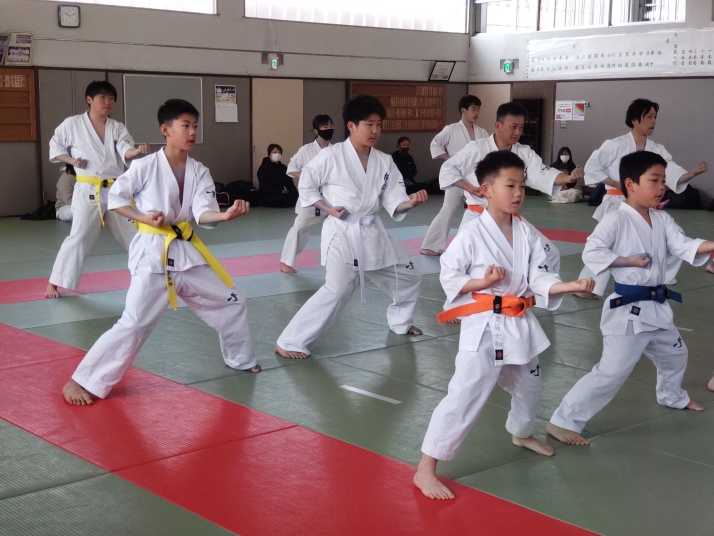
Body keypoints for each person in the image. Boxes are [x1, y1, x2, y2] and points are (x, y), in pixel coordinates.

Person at [413, 151, 595, 500]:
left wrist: (566, 286)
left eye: (522, 186)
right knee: (465, 393)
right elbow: (449, 275)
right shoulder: (472, 233)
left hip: (519, 321)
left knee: (530, 384)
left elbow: (540, 275)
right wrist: (481, 283)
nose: (518, 193)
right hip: (484, 325)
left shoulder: (527, 232)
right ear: (486, 190)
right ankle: (425, 468)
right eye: (510, 186)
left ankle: (521, 432)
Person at [62, 99, 260, 406]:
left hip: (186, 254)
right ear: (166, 130)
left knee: (232, 301)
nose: (192, 132)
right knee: (135, 321)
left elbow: (203, 212)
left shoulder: (200, 171)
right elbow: (116, 199)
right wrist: (142, 217)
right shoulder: (145, 166)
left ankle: (240, 358)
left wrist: (224, 215)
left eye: (195, 126)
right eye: (186, 125)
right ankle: (81, 380)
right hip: (153, 255)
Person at [546, 151, 713, 446]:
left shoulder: (662, 219)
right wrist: (627, 261)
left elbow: (683, 245)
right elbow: (592, 251)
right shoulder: (615, 220)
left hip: (657, 308)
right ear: (631, 184)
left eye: (663, 180)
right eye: (654, 180)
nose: (661, 187)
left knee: (676, 355)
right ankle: (562, 421)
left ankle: (671, 395)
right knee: (612, 372)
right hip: (629, 311)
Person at [275, 95, 428, 360]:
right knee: (338, 289)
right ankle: (290, 340)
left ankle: (401, 322)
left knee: (409, 276)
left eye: (379, 124)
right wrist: (327, 208)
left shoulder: (384, 161)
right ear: (352, 126)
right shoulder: (331, 156)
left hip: (372, 230)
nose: (375, 130)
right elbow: (307, 184)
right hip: (342, 232)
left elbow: (394, 199)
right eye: (369, 124)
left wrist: (410, 203)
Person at [574, 98, 708, 299]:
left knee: (666, 239)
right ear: (635, 120)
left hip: (644, 205)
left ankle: (659, 275)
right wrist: (616, 183)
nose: (653, 121)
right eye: (649, 116)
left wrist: (690, 174)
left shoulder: (656, 149)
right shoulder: (615, 145)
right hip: (616, 203)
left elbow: (671, 171)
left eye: (655, 117)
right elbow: (592, 167)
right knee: (608, 244)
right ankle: (587, 286)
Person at [438, 101, 583, 275]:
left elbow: (542, 173)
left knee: (549, 253)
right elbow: (448, 168)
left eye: (521, 128)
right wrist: (469, 187)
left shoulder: (524, 152)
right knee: (467, 265)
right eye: (513, 127)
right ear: (498, 126)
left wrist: (568, 177)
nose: (517, 132)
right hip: (477, 216)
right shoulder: (476, 148)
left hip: (508, 218)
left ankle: (537, 288)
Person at [44, 80, 149, 299]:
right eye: (102, 97)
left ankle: (151, 275)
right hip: (88, 189)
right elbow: (55, 146)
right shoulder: (72, 124)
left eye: (111, 98)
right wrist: (71, 160)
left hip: (115, 190)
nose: (107, 102)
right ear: (89, 100)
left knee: (135, 235)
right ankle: (55, 283)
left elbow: (125, 149)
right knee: (79, 236)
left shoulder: (117, 127)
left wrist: (135, 152)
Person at [420, 95, 488, 256]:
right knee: (449, 209)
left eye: (478, 109)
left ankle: (476, 247)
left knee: (482, 210)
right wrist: (449, 159)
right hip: (456, 177)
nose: (476, 113)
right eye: (473, 109)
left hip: (475, 178)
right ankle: (430, 245)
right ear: (463, 110)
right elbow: (435, 144)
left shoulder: (482, 132)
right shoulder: (451, 129)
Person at [279, 114, 335, 273]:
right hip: (312, 197)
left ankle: (348, 262)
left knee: (345, 227)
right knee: (299, 228)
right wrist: (306, 178)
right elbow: (291, 168)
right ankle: (285, 262)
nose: (329, 129)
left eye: (331, 126)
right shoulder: (306, 150)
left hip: (332, 197)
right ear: (316, 131)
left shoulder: (335, 150)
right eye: (325, 127)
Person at [257, 143, 298, 208]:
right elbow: (264, 185)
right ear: (269, 154)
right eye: (274, 152)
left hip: (281, 193)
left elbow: (289, 183)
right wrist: (279, 191)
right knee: (279, 200)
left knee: (295, 196)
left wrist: (293, 192)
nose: (277, 154)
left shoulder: (283, 168)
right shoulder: (263, 167)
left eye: (279, 153)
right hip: (268, 195)